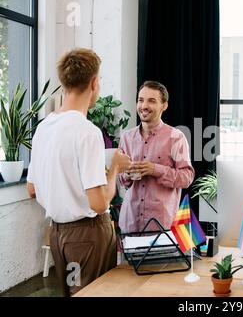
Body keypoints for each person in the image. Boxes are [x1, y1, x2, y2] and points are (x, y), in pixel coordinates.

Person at [26, 48, 131, 297]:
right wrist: (114, 166)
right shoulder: (87, 132)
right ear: (94, 82)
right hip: (88, 235)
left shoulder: (44, 128)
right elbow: (98, 203)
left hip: (58, 235)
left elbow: (31, 189)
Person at [118, 81, 195, 233]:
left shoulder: (176, 137)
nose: (144, 106)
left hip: (161, 226)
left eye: (151, 101)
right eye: (141, 100)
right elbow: (122, 180)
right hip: (130, 224)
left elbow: (186, 177)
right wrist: (126, 173)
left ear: (164, 105)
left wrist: (155, 169)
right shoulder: (126, 137)